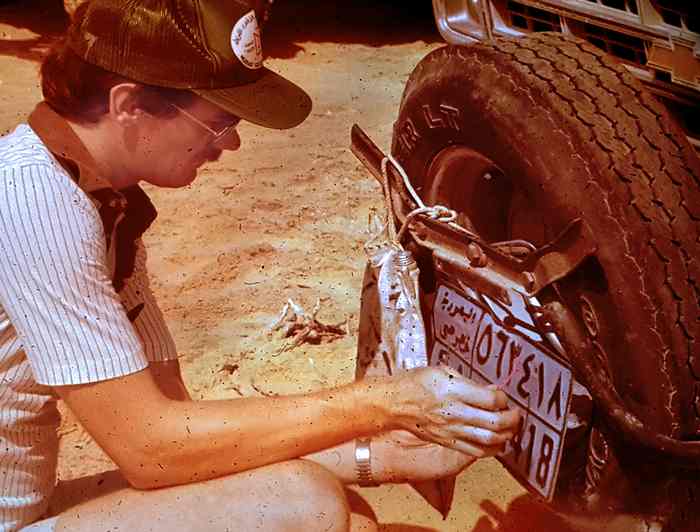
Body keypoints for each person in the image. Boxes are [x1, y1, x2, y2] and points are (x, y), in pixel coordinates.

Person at [0, 1, 521, 531]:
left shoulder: (98, 201)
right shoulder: (34, 203)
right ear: (129, 104)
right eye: (218, 122)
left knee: (340, 514)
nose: (231, 144)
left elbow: (187, 444)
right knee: (304, 505)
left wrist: (382, 456)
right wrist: (384, 403)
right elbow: (150, 446)